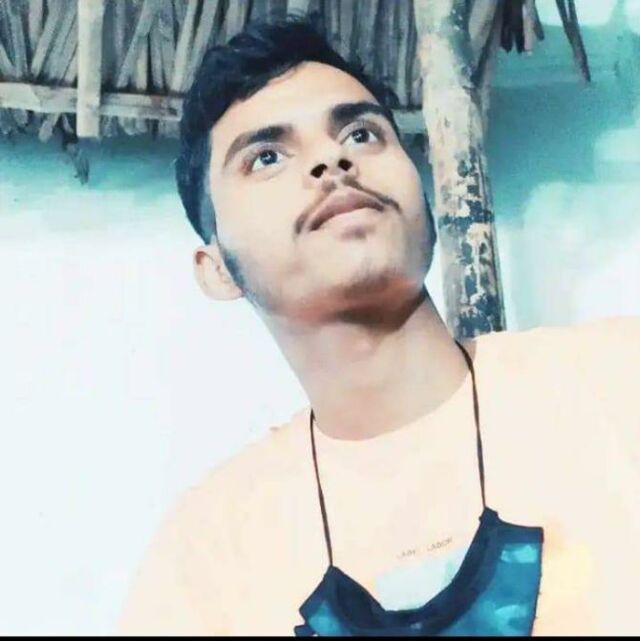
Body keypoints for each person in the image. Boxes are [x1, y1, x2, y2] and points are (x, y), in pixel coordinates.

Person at [117, 14, 640, 636]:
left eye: (362, 134)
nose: (331, 159)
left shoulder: (620, 382)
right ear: (218, 270)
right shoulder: (204, 560)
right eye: (266, 157)